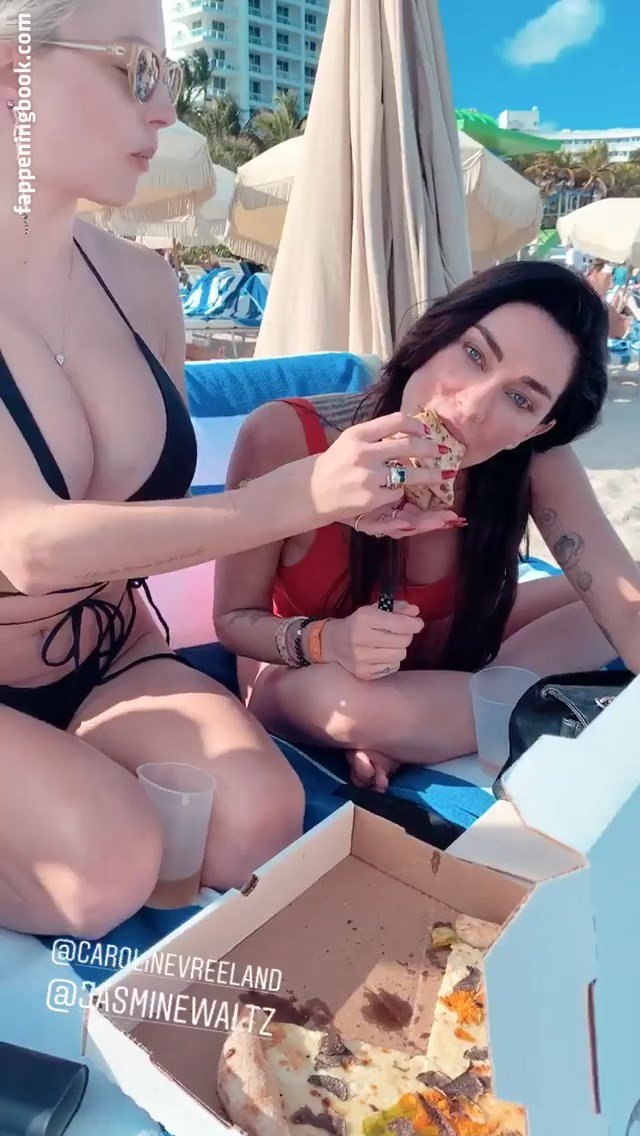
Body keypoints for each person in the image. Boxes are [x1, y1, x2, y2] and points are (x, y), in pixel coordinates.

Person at [0, 0, 438, 937]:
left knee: (255, 820)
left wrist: (350, 505)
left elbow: (140, 522)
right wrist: (293, 497)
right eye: (136, 68)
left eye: (173, 78)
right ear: (10, 71)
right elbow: (27, 546)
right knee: (101, 867)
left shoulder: (144, 284)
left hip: (110, 650)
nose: (166, 110)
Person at [214, 262, 640, 793]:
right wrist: (331, 640)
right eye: (475, 354)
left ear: (538, 428)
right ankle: (481, 712)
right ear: (436, 333)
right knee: (354, 709)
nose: (471, 406)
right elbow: (233, 619)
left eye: (520, 399)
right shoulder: (285, 436)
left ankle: (433, 724)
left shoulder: (532, 463)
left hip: (450, 650)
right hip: (303, 669)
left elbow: (625, 603)